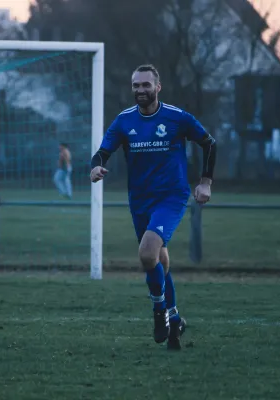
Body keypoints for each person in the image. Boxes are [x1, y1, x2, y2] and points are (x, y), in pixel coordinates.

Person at [89, 64, 217, 349]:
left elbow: (209, 143)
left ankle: (159, 311)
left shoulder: (176, 117)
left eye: (146, 85)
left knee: (147, 254)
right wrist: (96, 169)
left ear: (158, 87)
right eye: (136, 85)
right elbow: (101, 153)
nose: (140, 90)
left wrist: (205, 181)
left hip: (171, 196)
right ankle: (175, 320)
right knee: (158, 260)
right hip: (139, 199)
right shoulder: (124, 121)